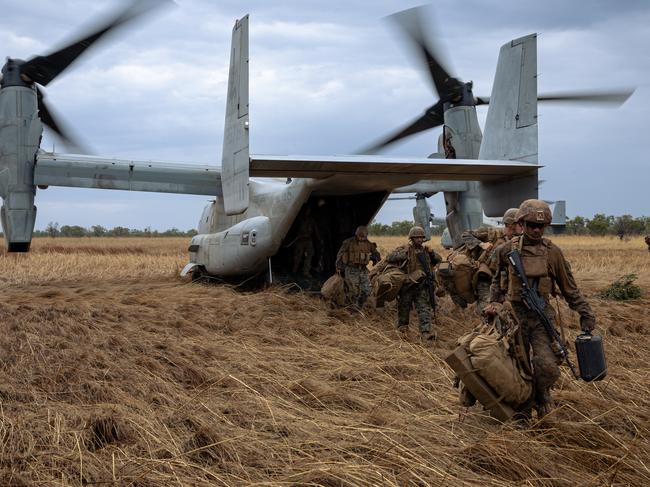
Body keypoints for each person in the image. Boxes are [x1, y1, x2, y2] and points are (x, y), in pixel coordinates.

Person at [485, 199, 596, 417]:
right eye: (531, 225)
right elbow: (497, 281)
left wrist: (585, 312)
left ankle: (540, 395)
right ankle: (521, 409)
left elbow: (569, 288)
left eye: (540, 226)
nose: (536, 230)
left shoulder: (553, 253)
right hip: (513, 316)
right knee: (515, 367)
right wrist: (493, 304)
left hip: (541, 316)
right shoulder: (505, 250)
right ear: (521, 224)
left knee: (547, 366)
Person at [386, 226, 442, 340]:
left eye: (421, 237)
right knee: (404, 308)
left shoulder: (426, 251)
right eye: (417, 237)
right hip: (408, 285)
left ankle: (425, 332)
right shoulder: (405, 249)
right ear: (412, 238)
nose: (420, 240)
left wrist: (432, 253)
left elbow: (439, 259)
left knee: (424, 308)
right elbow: (389, 257)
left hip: (422, 285)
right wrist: (403, 254)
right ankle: (402, 330)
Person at [335, 226, 380, 309]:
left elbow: (376, 254)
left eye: (364, 237)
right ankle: (349, 308)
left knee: (367, 290)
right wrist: (338, 266)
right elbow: (340, 254)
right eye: (360, 236)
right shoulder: (348, 242)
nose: (362, 238)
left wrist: (377, 262)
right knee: (353, 290)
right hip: (351, 269)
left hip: (363, 270)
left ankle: (359, 306)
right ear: (357, 234)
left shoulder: (368, 244)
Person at [291, 207, 321, 277]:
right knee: (298, 256)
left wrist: (319, 239)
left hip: (308, 240)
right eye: (306, 211)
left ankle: (306, 271)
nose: (308, 212)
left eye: (309, 211)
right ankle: (295, 269)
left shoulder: (311, 220)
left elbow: (316, 230)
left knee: (309, 256)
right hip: (300, 240)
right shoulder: (299, 220)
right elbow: (293, 229)